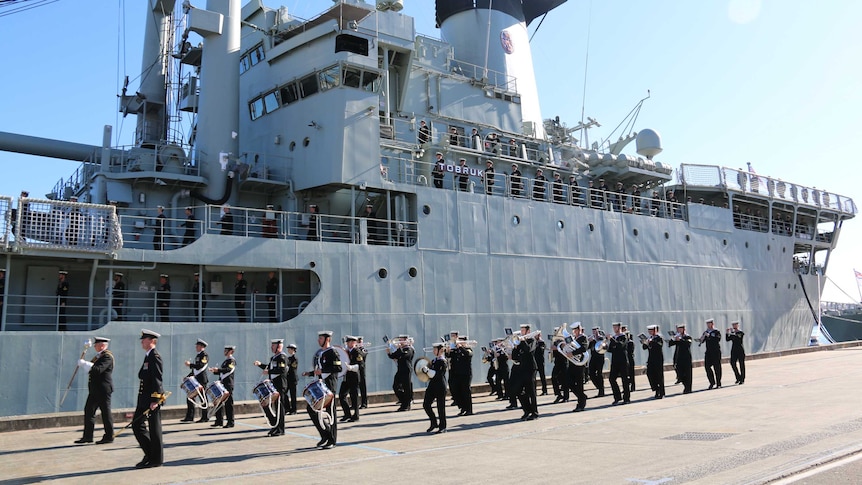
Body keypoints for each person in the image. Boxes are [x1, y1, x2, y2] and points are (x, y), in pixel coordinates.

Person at [302, 330, 341, 449]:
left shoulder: (333, 352)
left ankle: (332, 440)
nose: (318, 340)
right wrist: (309, 373)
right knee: (311, 409)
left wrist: (322, 371)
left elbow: (338, 367)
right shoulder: (322, 353)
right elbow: (320, 370)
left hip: (330, 387)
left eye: (321, 338)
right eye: (319, 338)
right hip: (321, 387)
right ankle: (325, 434)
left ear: (327, 339)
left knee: (331, 414)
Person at [133, 329, 164, 468]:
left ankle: (155, 459)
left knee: (153, 429)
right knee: (137, 425)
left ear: (152, 341)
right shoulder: (148, 356)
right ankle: (150, 453)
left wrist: (155, 400)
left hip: (151, 400)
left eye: (144, 339)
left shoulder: (154, 356)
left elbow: (157, 379)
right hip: (144, 399)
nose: (142, 341)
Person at [74, 337, 114, 444]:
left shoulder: (107, 357)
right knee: (89, 411)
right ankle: (87, 436)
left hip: (103, 389)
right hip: (95, 389)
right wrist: (84, 364)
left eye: (96, 344)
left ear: (102, 345)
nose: (94, 346)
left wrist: (84, 364)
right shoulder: (98, 356)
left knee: (105, 413)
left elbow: (97, 370)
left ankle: (109, 436)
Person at [255, 339, 288, 437]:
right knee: (273, 406)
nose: (271, 347)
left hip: (280, 385)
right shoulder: (274, 358)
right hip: (274, 385)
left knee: (279, 407)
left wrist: (269, 372)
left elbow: (282, 370)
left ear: (278, 346)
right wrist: (260, 365)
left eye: (273, 345)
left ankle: (280, 429)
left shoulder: (282, 357)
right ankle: (275, 425)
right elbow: (269, 368)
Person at [508, 324, 538, 420]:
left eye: (523, 330)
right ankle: (527, 410)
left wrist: (523, 341)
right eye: (521, 330)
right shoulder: (519, 342)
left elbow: (529, 350)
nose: (521, 332)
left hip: (530, 369)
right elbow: (515, 356)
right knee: (518, 390)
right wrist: (515, 347)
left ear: (528, 331)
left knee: (531, 392)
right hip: (521, 369)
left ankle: (534, 412)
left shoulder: (532, 340)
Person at [422, 342, 448, 433]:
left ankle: (443, 427)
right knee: (426, 404)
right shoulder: (434, 361)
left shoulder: (443, 361)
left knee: (441, 407)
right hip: (432, 386)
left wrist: (428, 370)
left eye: (435, 349)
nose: (433, 351)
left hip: (440, 386)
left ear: (440, 350)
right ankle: (434, 422)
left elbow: (438, 374)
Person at [181, 339, 209, 423]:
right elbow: (195, 370)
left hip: (201, 380)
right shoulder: (198, 356)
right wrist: (188, 377)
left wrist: (190, 365)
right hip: (195, 380)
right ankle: (190, 416)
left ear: (201, 346)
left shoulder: (204, 355)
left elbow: (200, 366)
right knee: (190, 397)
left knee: (203, 398)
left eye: (197, 346)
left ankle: (205, 417)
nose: (196, 347)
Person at [563, 323, 589, 412]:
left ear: (579, 329)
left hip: (580, 364)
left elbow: (584, 348)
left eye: (576, 330)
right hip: (572, 363)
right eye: (573, 330)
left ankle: (581, 404)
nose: (574, 332)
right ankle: (582, 396)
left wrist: (572, 354)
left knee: (579, 384)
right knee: (568, 382)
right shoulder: (573, 339)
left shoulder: (583, 338)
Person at [209, 345, 236, 428]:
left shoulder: (232, 361)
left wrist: (218, 370)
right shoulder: (225, 361)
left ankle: (230, 422)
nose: (225, 352)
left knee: (228, 404)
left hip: (228, 384)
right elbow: (222, 372)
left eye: (226, 350)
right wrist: (215, 371)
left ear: (231, 351)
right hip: (222, 383)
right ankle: (219, 421)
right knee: (218, 402)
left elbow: (228, 370)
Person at [448, 333, 474, 416]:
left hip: (466, 374)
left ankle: (469, 409)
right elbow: (449, 356)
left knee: (466, 391)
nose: (459, 342)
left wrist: (461, 347)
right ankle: (462, 407)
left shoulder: (468, 349)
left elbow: (468, 354)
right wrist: (447, 350)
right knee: (456, 390)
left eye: (461, 341)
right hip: (456, 374)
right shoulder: (456, 350)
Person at [386, 335, 414, 411]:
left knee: (406, 387)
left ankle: (406, 405)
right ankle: (403, 400)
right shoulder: (400, 349)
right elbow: (394, 356)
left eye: (401, 340)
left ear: (405, 341)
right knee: (395, 386)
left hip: (406, 370)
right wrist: (388, 353)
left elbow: (405, 355)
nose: (400, 342)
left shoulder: (409, 349)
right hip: (400, 369)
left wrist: (399, 349)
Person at [606, 322, 631, 405]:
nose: (614, 329)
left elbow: (620, 345)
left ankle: (626, 398)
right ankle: (617, 396)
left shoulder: (624, 336)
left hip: (623, 360)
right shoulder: (614, 337)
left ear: (619, 327)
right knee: (612, 379)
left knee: (625, 380)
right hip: (615, 361)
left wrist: (612, 340)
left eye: (615, 327)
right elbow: (610, 349)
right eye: (613, 327)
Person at [339, 336, 362, 422]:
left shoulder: (357, 352)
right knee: (342, 395)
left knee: (354, 397)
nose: (348, 344)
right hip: (347, 377)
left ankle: (356, 415)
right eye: (347, 342)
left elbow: (359, 365)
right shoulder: (346, 352)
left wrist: (350, 367)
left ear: (354, 343)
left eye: (350, 342)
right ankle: (347, 414)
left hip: (354, 377)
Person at [668, 324, 693, 394]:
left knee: (688, 373)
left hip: (686, 357)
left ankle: (688, 388)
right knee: (680, 373)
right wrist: (673, 339)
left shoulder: (687, 336)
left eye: (680, 329)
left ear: (683, 329)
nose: (679, 330)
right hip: (679, 357)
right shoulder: (677, 337)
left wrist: (680, 339)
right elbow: (670, 343)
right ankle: (684, 384)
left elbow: (688, 343)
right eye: (678, 329)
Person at [643, 325, 665, 399]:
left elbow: (660, 345)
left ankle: (661, 392)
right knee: (650, 374)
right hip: (651, 358)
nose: (650, 332)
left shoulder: (659, 337)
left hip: (658, 358)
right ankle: (655, 388)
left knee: (659, 375)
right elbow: (644, 348)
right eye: (649, 331)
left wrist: (652, 342)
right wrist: (645, 342)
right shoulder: (649, 338)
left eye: (651, 331)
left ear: (655, 330)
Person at [700, 318, 723, 389]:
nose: (708, 325)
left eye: (709, 323)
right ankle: (712, 382)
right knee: (707, 366)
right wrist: (702, 337)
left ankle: (718, 383)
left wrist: (710, 336)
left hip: (716, 352)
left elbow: (718, 339)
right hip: (708, 352)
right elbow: (702, 340)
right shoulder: (706, 332)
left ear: (712, 324)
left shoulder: (716, 331)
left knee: (717, 367)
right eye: (707, 324)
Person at [550, 328, 569, 403]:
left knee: (565, 380)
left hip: (564, 362)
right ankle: (558, 394)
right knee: (553, 377)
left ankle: (566, 397)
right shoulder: (555, 342)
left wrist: (558, 348)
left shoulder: (564, 341)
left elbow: (565, 350)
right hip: (557, 362)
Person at [587, 326, 606, 397]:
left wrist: (594, 340)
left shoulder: (600, 338)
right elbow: (588, 347)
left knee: (599, 373)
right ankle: (598, 386)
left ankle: (601, 391)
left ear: (598, 330)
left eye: (595, 330)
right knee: (591, 373)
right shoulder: (592, 339)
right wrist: (588, 341)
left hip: (600, 357)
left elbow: (601, 344)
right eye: (593, 330)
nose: (594, 331)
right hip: (593, 357)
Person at [622, 324, 636, 392]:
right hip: (625, 358)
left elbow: (631, 350)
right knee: (625, 374)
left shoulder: (630, 341)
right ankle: (626, 386)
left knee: (631, 373)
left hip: (630, 358)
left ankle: (633, 386)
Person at [356, 337, 369, 409]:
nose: (360, 342)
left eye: (360, 341)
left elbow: (362, 355)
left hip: (361, 370)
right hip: (355, 370)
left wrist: (357, 349)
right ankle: (355, 403)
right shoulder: (355, 350)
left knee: (362, 387)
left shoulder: (364, 350)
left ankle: (364, 403)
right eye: (358, 341)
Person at [285, 344, 299, 414]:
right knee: (284, 393)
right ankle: (287, 408)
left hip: (293, 379)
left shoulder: (295, 358)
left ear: (293, 350)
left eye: (290, 349)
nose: (288, 350)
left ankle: (294, 409)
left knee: (293, 395)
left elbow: (292, 368)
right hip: (287, 379)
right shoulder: (288, 358)